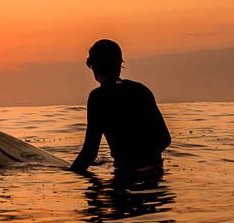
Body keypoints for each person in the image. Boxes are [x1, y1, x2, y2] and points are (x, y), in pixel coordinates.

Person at [70, 39, 171, 174]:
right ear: (119, 65)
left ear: (94, 67)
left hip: (125, 177)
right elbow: (165, 139)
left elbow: (89, 153)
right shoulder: (141, 90)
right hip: (155, 175)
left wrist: (68, 174)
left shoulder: (98, 98)